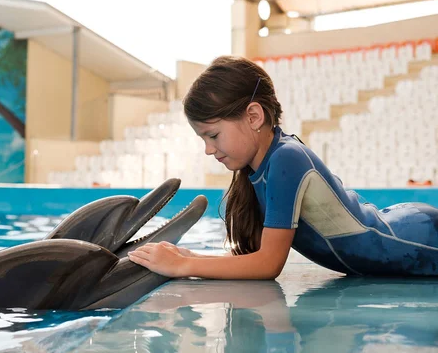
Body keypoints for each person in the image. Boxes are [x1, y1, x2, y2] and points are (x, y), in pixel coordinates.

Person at [128, 56, 438, 279]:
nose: (208, 149)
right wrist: (189, 255)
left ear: (253, 116)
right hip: (403, 226)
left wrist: (183, 267)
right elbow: (255, 259)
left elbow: (267, 265)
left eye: (213, 135)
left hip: (419, 239)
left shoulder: (285, 158)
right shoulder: (259, 166)